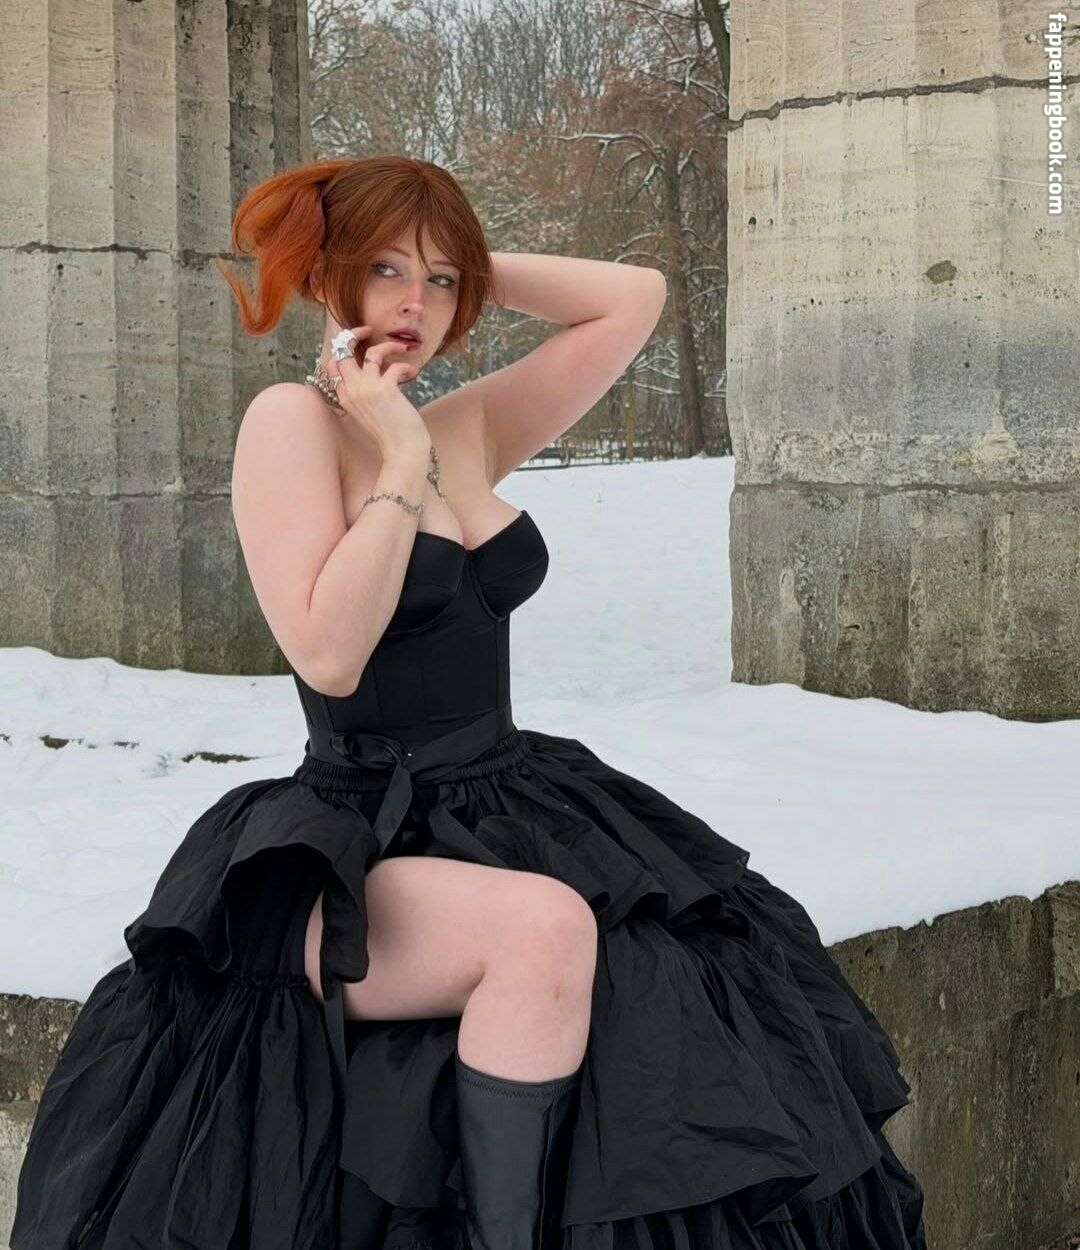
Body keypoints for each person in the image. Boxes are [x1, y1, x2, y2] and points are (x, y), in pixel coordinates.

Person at [10, 155, 928, 1250]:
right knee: (546, 928)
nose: (416, 302)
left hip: (509, 794)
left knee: (688, 964)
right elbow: (329, 653)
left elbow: (632, 300)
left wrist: (463, 272)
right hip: (354, 836)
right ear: (325, 275)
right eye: (385, 270)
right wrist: (399, 460)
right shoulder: (289, 424)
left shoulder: (468, 427)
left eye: (442, 281)